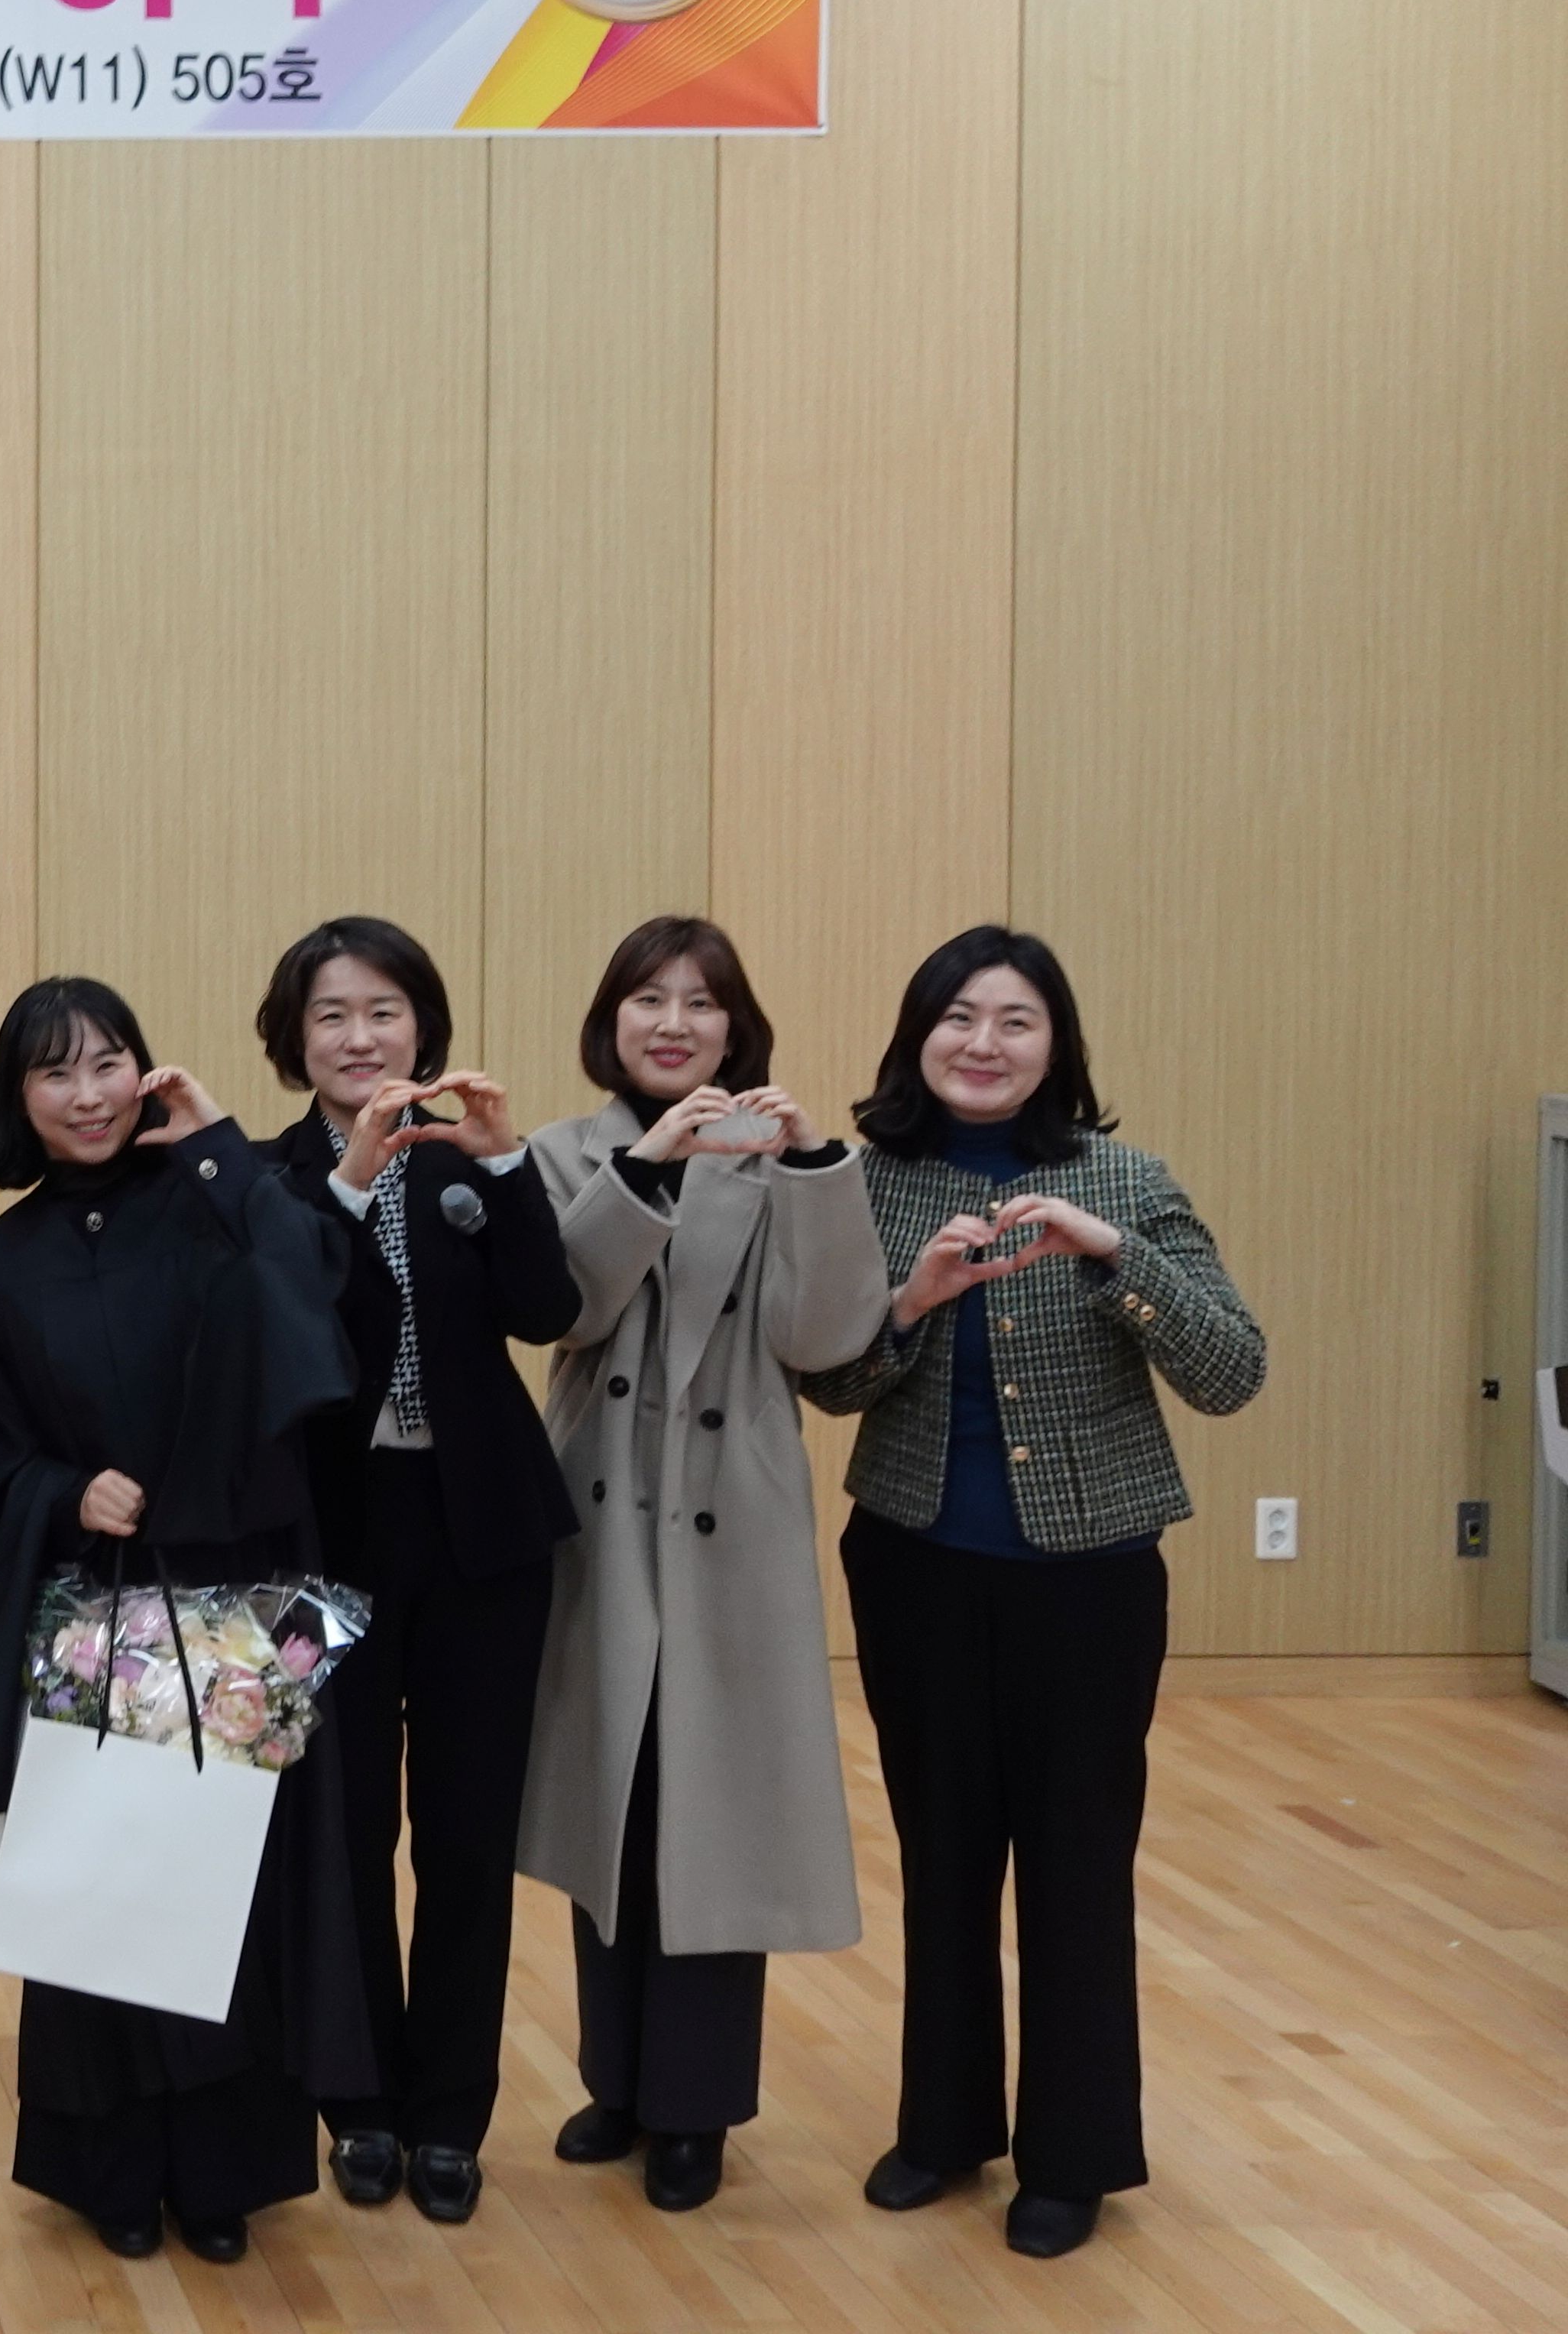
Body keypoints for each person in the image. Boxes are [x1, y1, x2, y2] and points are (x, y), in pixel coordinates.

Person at [805, 925, 1265, 2262]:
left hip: (1091, 1582)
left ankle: (1072, 2155)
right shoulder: (867, 1185)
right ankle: (944, 2128)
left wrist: (1111, 1255)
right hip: (914, 1566)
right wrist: (909, 1303)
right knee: (941, 1854)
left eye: (1016, 1021)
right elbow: (828, 1382)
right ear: (918, 1037)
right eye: (958, 1018)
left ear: (1056, 1045)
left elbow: (1232, 1370)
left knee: (1076, 1865)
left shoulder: (1127, 1180)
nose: (984, 1044)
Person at [0, 977, 374, 2265]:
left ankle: (228, 2171)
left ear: (148, 1072)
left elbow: (319, 1293)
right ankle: (113, 2170)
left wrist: (222, 1143)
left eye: (109, 1062)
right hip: (98, 1597)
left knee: (240, 1888)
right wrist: (62, 1493)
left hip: (240, 1589)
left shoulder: (225, 1203)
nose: (88, 1094)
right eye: (55, 1071)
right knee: (104, 1890)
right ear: (17, 1097)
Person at [510, 918, 886, 2213]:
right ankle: (615, 2081)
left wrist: (819, 1170)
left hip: (735, 1518)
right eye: (648, 999)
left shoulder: (787, 1165)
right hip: (602, 1514)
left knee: (716, 1812)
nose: (674, 1023)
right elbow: (566, 1309)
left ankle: (698, 2106)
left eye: (702, 1003)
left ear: (738, 1029)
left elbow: (826, 1342)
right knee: (614, 1801)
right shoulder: (563, 1154)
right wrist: (651, 1168)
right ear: (609, 1020)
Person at [254, 916, 582, 2225]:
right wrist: (348, 1181)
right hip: (324, 1541)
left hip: (480, 1532)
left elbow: (547, 1310)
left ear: (423, 1028)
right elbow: (288, 1326)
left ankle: (450, 2114)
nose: (359, 1036)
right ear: (294, 1040)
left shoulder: (469, 1160)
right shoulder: (269, 1178)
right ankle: (360, 2104)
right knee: (340, 1833)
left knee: (465, 1835)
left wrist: (503, 1163)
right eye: (331, 1014)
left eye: (383, 1011)